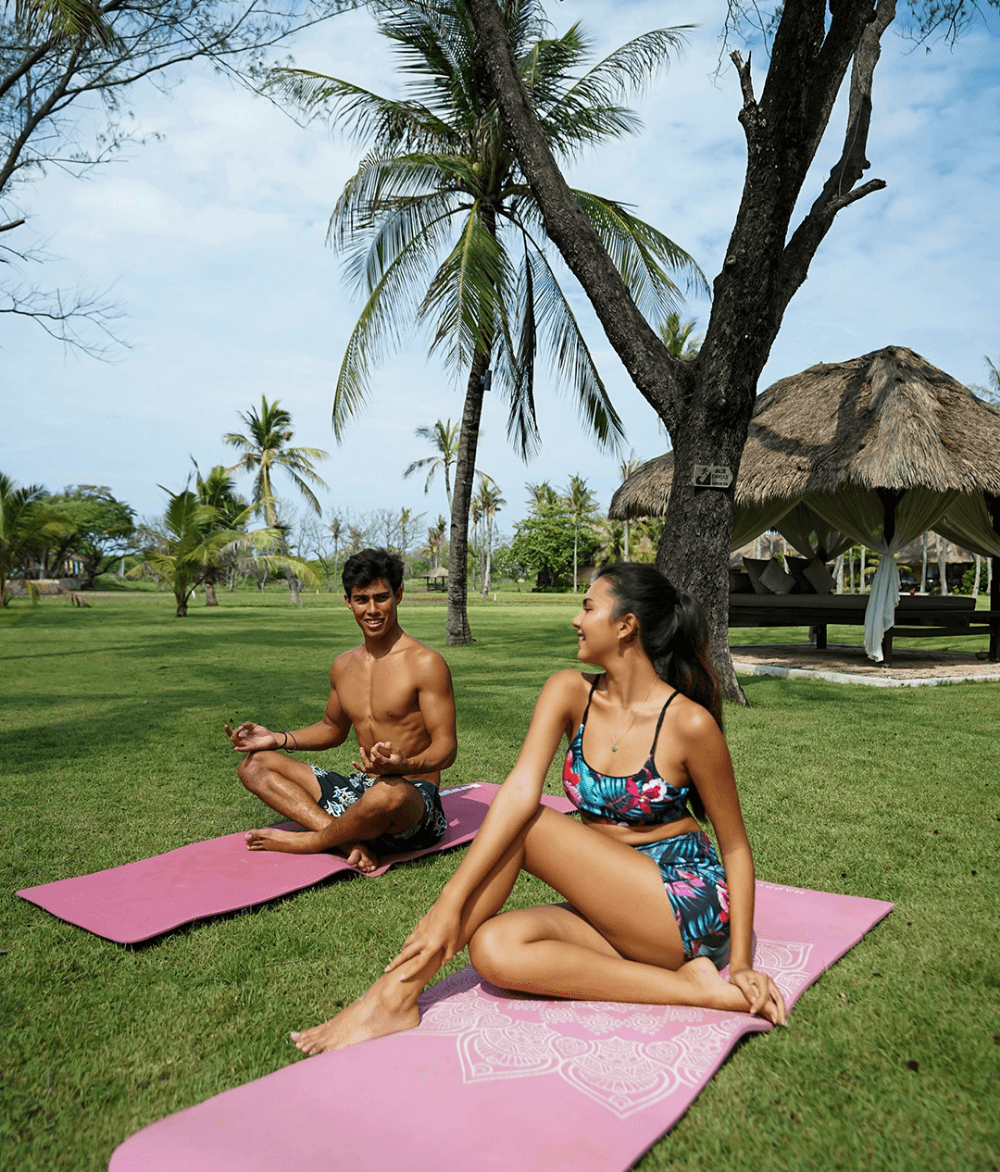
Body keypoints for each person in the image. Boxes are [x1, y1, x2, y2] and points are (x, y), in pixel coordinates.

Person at [290, 562, 786, 1054]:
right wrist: (452, 905)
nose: (576, 618)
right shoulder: (570, 691)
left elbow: (736, 848)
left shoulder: (689, 724)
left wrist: (740, 963)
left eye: (588, 607)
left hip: (683, 905)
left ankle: (395, 994)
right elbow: (519, 786)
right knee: (494, 949)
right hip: (617, 902)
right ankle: (690, 988)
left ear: (625, 625)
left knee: (527, 825)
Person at [224, 548, 457, 873]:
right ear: (348, 601)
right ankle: (348, 842)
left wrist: (407, 764)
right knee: (254, 766)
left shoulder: (425, 664)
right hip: (361, 790)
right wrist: (275, 738)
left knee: (387, 794)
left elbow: (447, 747)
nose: (372, 610)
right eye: (362, 599)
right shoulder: (344, 665)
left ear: (398, 596)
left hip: (411, 799)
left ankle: (311, 841)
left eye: (381, 598)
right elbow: (333, 729)